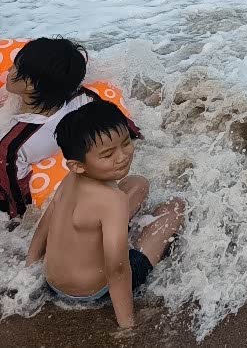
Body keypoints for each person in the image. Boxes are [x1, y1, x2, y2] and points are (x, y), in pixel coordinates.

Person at [25, 101, 184, 332]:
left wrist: (30, 267)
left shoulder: (70, 178)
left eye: (126, 142)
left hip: (53, 283)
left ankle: (111, 228)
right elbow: (117, 269)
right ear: (78, 165)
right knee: (176, 207)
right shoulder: (112, 202)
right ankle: (118, 231)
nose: (122, 156)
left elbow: (46, 223)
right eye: (108, 154)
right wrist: (127, 326)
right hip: (95, 292)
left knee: (138, 183)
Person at [1, 38, 141, 220]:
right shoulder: (86, 98)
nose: (9, 70)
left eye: (15, 67)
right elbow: (129, 131)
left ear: (31, 85)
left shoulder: (13, 145)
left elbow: (15, 203)